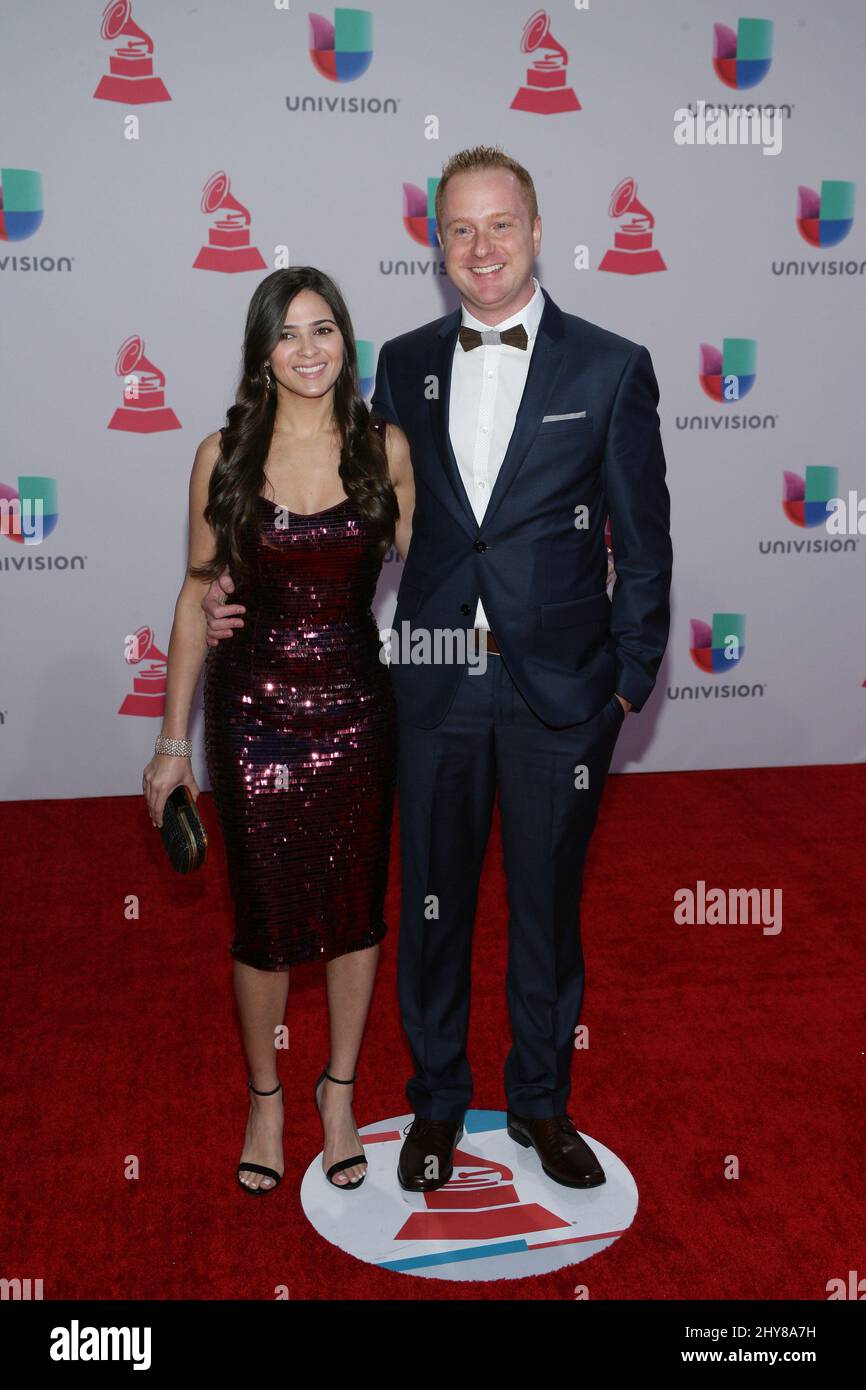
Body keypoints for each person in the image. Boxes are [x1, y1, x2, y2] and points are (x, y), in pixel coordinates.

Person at [204, 146, 672, 1194]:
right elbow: (355, 521)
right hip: (432, 679)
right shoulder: (404, 364)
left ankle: (543, 1105)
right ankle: (436, 1103)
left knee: (547, 910)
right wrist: (237, 592)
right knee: (431, 904)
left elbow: (643, 545)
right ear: (437, 247)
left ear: (537, 230)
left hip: (561, 694)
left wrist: (624, 683)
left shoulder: (609, 366)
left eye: (498, 225)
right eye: (457, 230)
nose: (480, 249)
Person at [142, 266, 414, 1195]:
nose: (309, 350)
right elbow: (192, 596)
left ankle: (336, 1091)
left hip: (356, 715)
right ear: (263, 351)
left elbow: (448, 571)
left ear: (347, 340)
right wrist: (172, 747)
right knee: (260, 924)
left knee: (356, 915)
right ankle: (266, 1097)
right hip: (252, 718)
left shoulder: (386, 449)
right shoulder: (222, 454)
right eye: (288, 333)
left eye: (324, 329)